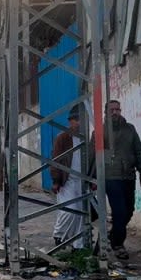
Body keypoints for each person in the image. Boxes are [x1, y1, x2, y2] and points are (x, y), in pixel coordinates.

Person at [96, 100, 141, 260]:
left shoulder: (129, 129)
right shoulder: (100, 131)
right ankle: (118, 244)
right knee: (119, 212)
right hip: (111, 177)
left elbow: (138, 150)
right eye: (112, 110)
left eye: (118, 109)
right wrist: (92, 178)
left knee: (129, 210)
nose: (115, 112)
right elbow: (92, 156)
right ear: (105, 113)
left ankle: (108, 239)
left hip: (128, 175)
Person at [50, 105, 88, 249]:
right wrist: (56, 180)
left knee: (80, 213)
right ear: (70, 121)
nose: (79, 123)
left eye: (81, 120)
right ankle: (59, 235)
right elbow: (55, 160)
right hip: (67, 181)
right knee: (69, 211)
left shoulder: (85, 138)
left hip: (82, 180)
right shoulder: (63, 138)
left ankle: (77, 245)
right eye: (76, 120)